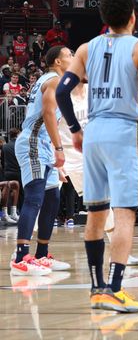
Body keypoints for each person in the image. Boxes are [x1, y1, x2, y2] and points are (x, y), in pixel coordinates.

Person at [56, 0, 138, 312]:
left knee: (95, 212)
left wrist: (76, 131)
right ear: (133, 17)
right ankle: (115, 289)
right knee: (124, 214)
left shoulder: (85, 48)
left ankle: (97, 289)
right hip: (122, 131)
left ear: (104, 20)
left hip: (93, 131)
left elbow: (63, 93)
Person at [56, 76, 138, 266]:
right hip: (67, 154)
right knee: (42, 200)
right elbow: (50, 126)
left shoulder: (94, 92)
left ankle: (118, 253)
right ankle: (22, 251)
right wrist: (57, 154)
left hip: (91, 153)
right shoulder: (60, 93)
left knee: (104, 202)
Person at [11, 46, 73, 277]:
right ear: (58, 61)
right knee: (35, 198)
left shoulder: (51, 80)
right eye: (69, 55)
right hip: (34, 143)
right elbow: (48, 114)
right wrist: (59, 149)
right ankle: (20, 258)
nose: (73, 58)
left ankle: (41, 254)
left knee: (52, 198)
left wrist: (56, 158)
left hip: (43, 146)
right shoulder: (55, 80)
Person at [2, 128, 21, 223]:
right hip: (18, 172)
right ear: (17, 135)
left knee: (7, 193)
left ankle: (8, 213)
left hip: (7, 173)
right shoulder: (19, 146)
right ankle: (16, 213)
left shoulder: (5, 147)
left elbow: (2, 161)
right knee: (19, 193)